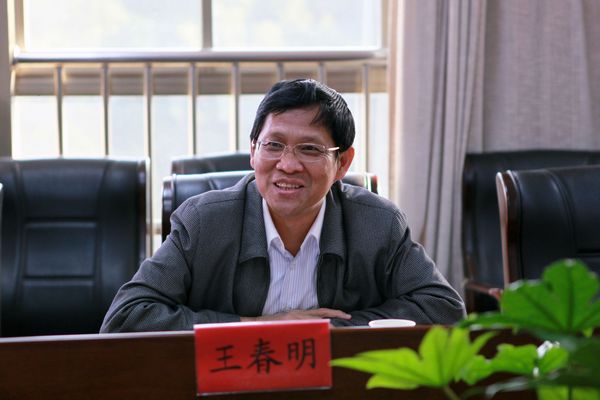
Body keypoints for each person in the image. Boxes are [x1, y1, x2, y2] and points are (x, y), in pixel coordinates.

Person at [100, 79, 465, 332]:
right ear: (253, 151)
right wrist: (258, 327)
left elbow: (444, 308)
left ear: (343, 163)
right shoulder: (204, 221)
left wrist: (326, 330)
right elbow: (126, 318)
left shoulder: (377, 224)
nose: (287, 165)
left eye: (309, 149)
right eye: (273, 145)